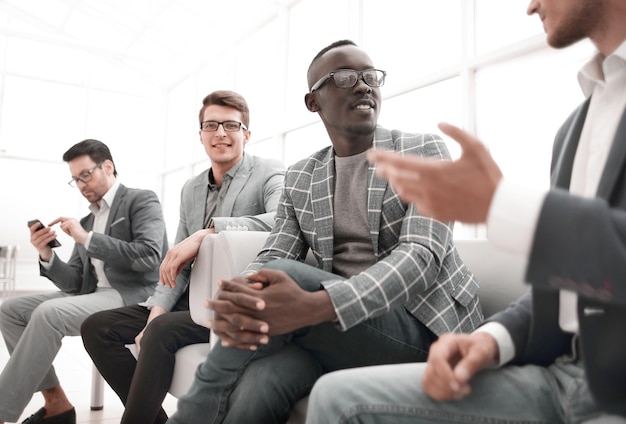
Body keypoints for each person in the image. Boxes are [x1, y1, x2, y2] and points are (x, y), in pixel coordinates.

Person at [305, 0, 626, 423]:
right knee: (335, 398)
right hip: (563, 378)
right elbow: (565, 294)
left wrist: (499, 204)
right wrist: (492, 340)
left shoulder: (420, 146)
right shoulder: (575, 128)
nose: (530, 6)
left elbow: (419, 258)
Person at [166, 39, 483, 424]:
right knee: (258, 388)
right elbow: (275, 252)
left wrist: (319, 304)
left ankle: (190, 414)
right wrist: (244, 292)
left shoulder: (422, 151)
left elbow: (422, 258)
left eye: (371, 76)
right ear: (313, 101)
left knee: (286, 277)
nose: (364, 85)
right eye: (346, 77)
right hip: (336, 331)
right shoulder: (303, 175)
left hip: (423, 330)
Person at [80, 90, 286, 424]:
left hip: (230, 302)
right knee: (97, 327)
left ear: (246, 134)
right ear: (201, 135)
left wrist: (210, 231)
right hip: (187, 301)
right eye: (212, 125)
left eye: (231, 125)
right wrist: (156, 310)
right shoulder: (191, 189)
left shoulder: (268, 172)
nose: (221, 132)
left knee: (161, 330)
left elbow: (282, 218)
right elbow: (176, 262)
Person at [0, 139, 167, 424]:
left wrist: (87, 239)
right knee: (10, 310)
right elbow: (75, 283)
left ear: (108, 167)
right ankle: (56, 403)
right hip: (94, 294)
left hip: (131, 295)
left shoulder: (141, 200)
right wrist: (46, 255)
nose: (81, 184)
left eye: (85, 175)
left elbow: (149, 257)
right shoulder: (87, 221)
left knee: (48, 314)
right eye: (75, 179)